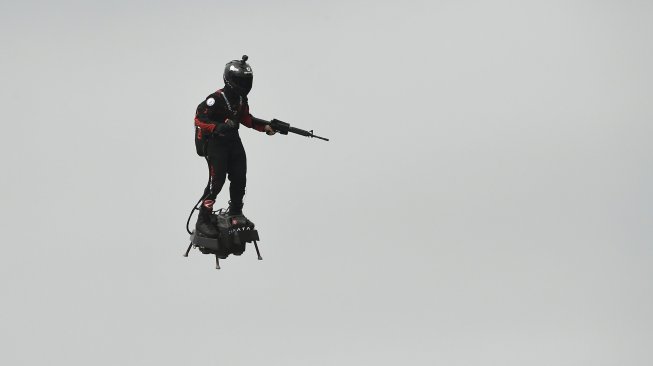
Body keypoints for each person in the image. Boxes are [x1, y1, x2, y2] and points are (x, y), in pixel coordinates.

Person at [193, 55, 276, 238]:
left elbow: (246, 118)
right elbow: (199, 119)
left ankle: (236, 212)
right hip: (215, 143)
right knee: (217, 181)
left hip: (232, 140)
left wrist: (266, 127)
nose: (243, 85)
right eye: (239, 81)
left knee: (240, 176)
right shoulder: (214, 99)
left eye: (246, 81)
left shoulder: (240, 100)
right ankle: (203, 219)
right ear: (229, 81)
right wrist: (218, 127)